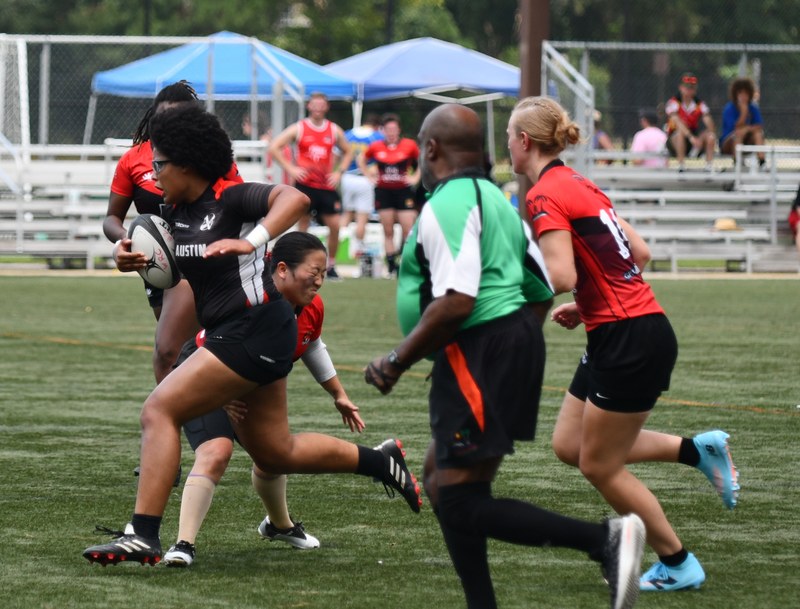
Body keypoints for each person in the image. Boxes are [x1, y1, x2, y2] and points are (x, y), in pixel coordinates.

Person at [82, 105, 421, 568]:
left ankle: (143, 534)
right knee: (275, 452)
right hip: (246, 332)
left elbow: (296, 199)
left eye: (159, 164)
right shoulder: (173, 211)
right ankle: (382, 461)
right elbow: (159, 258)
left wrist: (252, 239)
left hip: (254, 327)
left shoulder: (231, 198)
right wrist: (128, 257)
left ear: (187, 164)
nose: (154, 173)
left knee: (159, 409)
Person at [364, 103, 646, 609]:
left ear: (430, 149)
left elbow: (458, 300)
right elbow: (539, 290)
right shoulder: (497, 201)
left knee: (458, 499)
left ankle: (604, 539)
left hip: (478, 351)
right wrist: (512, 344)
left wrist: (395, 361)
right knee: (440, 480)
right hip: (498, 347)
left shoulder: (448, 203)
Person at [507, 96, 740, 594]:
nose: (507, 145)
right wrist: (589, 305)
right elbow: (640, 252)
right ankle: (696, 451)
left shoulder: (543, 195)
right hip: (625, 330)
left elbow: (561, 276)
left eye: (509, 136)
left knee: (599, 463)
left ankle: (678, 562)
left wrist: (506, 287)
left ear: (524, 141)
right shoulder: (581, 183)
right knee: (570, 445)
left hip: (628, 339)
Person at [161, 231, 364, 566]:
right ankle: (183, 544)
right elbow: (205, 348)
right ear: (282, 269)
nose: (319, 281)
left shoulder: (309, 306)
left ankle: (279, 526)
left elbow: (311, 342)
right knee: (216, 451)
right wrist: (219, 394)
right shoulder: (252, 302)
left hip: (248, 387)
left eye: (323, 273)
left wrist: (338, 394)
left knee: (273, 455)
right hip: (205, 375)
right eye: (314, 272)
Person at [102, 81, 211, 384]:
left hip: (198, 258)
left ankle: (171, 412)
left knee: (169, 351)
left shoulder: (209, 155)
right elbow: (111, 218)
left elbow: (232, 203)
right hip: (156, 265)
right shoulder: (133, 158)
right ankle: (205, 409)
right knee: (183, 352)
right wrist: (126, 242)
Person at [268, 92, 353, 279]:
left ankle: (331, 266)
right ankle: (301, 265)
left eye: (321, 105)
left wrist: (339, 172)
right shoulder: (299, 128)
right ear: (309, 106)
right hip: (305, 185)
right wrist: (291, 169)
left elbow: (349, 151)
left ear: (326, 107)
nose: (318, 108)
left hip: (326, 186)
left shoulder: (333, 130)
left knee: (335, 225)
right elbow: (274, 147)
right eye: (315, 104)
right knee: (303, 226)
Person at [359, 113, 420, 276]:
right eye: (388, 129)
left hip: (403, 191)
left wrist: (415, 177)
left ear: (399, 130)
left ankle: (407, 262)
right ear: (383, 131)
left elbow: (423, 161)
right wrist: (369, 176)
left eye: (394, 129)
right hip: (383, 192)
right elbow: (361, 159)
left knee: (408, 229)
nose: (391, 132)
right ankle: (392, 265)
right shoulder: (376, 146)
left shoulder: (409, 145)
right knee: (388, 230)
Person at [340, 113, 384, 258]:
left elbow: (338, 154)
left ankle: (339, 247)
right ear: (376, 126)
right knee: (362, 217)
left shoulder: (348, 134)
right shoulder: (377, 137)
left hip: (347, 177)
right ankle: (358, 249)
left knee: (346, 214)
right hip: (365, 178)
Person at [665, 72, 716, 171]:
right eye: (687, 87)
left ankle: (709, 165)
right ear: (680, 88)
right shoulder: (673, 102)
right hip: (675, 140)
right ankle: (681, 165)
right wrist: (690, 137)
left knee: (710, 136)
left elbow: (708, 121)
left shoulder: (700, 104)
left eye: (692, 88)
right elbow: (677, 121)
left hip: (693, 139)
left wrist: (707, 134)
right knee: (680, 132)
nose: (689, 90)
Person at [719, 76, 766, 167]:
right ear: (735, 94)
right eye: (740, 93)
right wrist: (744, 113)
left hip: (747, 142)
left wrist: (747, 129)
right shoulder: (729, 108)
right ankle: (738, 162)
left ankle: (762, 161)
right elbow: (735, 128)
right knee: (739, 134)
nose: (743, 96)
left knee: (758, 134)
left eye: (746, 93)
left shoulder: (753, 108)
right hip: (729, 143)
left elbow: (759, 126)